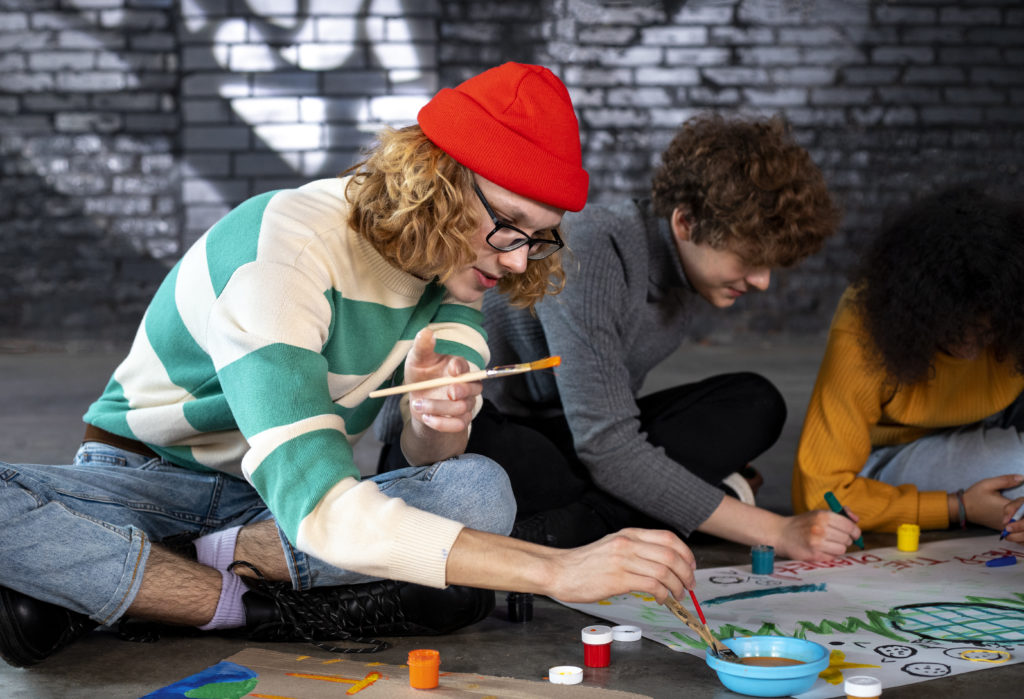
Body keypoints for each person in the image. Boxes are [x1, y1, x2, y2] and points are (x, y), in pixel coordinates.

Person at [0, 63, 697, 669]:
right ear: (438, 181)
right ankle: (229, 602)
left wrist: (434, 418)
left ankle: (120, 586)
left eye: (537, 239)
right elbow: (323, 508)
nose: (517, 259)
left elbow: (433, 461)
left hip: (266, 504)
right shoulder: (284, 253)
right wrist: (557, 569)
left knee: (480, 489)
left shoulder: (457, 277)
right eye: (509, 224)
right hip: (153, 482)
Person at [378, 112, 862, 561]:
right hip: (500, 427)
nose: (761, 282)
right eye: (749, 259)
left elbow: (609, 428)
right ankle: (604, 523)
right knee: (541, 465)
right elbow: (606, 447)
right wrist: (777, 532)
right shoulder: (596, 246)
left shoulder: (689, 278)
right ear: (685, 222)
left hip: (581, 435)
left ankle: (604, 519)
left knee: (756, 402)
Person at [793, 187, 1024, 540]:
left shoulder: (1011, 311)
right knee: (1015, 469)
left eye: (986, 330)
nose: (972, 348)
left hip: (993, 426)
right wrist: (958, 506)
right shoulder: (863, 328)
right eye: (955, 331)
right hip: (891, 454)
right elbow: (819, 495)